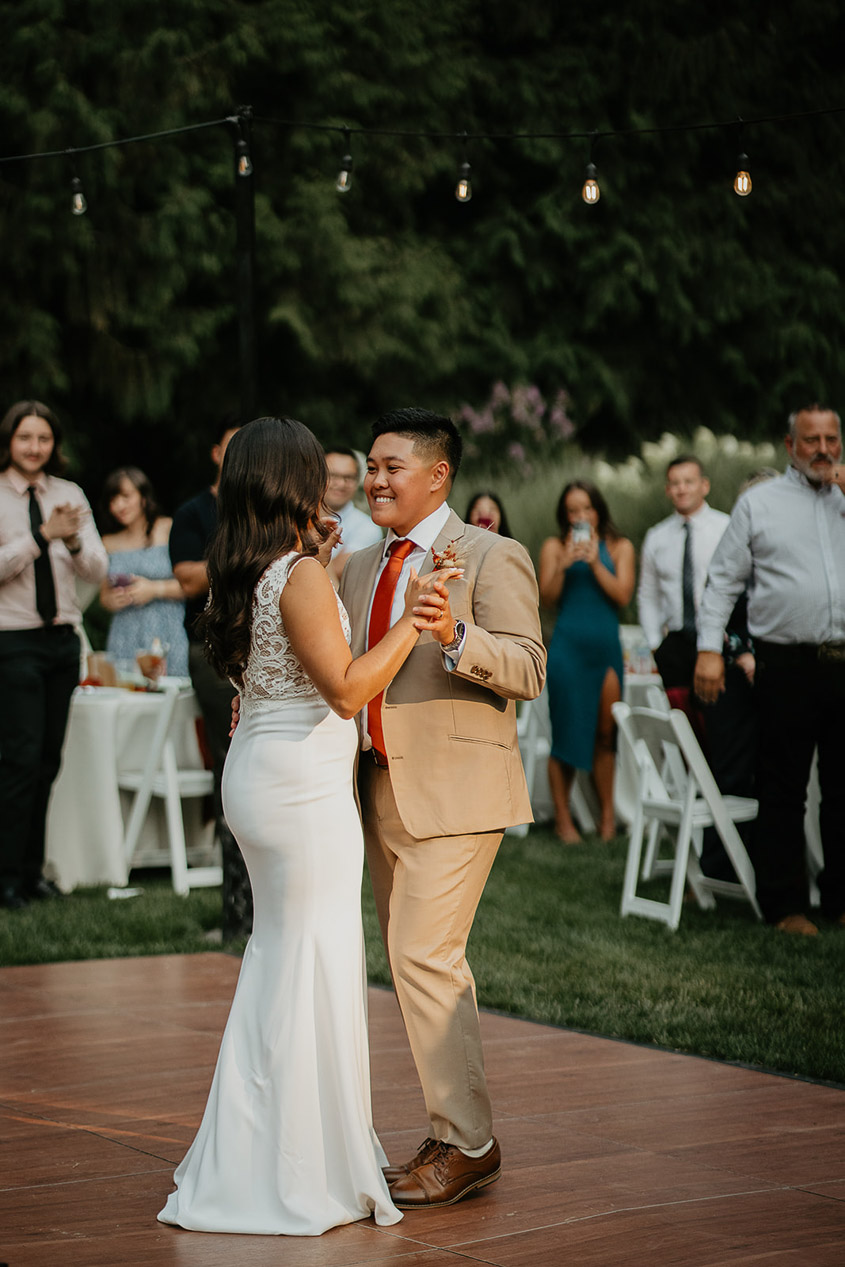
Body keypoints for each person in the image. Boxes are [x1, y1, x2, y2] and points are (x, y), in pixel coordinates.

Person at [158, 416, 451, 1236]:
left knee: (280, 958)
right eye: (315, 471)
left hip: (261, 772)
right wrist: (415, 617)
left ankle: (261, 1152)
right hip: (300, 789)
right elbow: (348, 688)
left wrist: (317, 562)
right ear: (291, 479)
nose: (335, 481)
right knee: (310, 965)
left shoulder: (243, 567)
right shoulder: (299, 576)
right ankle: (297, 1167)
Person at [338, 408, 546, 1210]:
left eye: (392, 466)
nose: (376, 479)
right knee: (411, 962)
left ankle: (469, 1144)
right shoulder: (358, 565)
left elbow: (528, 667)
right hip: (376, 787)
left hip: (457, 793)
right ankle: (445, 1132)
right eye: (371, 464)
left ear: (438, 475)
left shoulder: (492, 554)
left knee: (426, 957)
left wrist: (458, 634)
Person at [695, 404, 845, 936]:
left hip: (842, 661)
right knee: (785, 786)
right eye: (812, 440)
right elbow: (723, 583)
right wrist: (710, 650)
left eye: (831, 438)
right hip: (786, 662)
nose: (823, 449)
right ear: (790, 446)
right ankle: (786, 906)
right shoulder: (760, 504)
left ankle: (839, 898)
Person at [0, 400, 108, 909]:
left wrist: (69, 543)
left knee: (47, 761)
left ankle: (31, 872)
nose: (35, 447)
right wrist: (40, 538)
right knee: (18, 760)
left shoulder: (69, 495)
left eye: (43, 438)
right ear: (10, 440)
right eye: (26, 437)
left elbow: (98, 569)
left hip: (61, 640)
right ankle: (5, 878)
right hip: (12, 639)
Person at [169, 416, 249, 939]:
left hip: (262, 643)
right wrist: (249, 554)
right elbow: (187, 577)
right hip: (212, 649)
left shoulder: (262, 506)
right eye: (233, 445)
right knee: (231, 767)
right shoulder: (195, 512)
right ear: (217, 452)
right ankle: (235, 916)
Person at [539, 480, 634, 843]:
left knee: (605, 733)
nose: (580, 516)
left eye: (586, 509)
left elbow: (622, 594)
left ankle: (607, 818)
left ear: (598, 510)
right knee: (565, 730)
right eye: (572, 510)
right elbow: (546, 599)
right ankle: (564, 820)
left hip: (604, 648)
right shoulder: (554, 546)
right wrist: (564, 563)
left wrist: (594, 562)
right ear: (565, 515)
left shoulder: (620, 546)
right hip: (567, 648)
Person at [637, 454, 730, 708]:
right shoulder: (656, 537)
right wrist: (655, 643)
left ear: (704, 485)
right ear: (668, 490)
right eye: (675, 483)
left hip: (717, 643)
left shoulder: (725, 528)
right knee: (681, 722)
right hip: (675, 645)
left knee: (718, 719)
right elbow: (648, 595)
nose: (682, 489)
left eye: (688, 481)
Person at [99, 466, 188, 677]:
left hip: (168, 628)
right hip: (125, 631)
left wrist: (155, 589)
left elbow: (196, 584)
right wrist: (111, 601)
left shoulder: (168, 528)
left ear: (144, 496)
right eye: (113, 500)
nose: (118, 506)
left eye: (126, 497)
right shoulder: (107, 543)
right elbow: (103, 595)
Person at [323, 445, 382, 583]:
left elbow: (339, 569)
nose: (341, 484)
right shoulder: (298, 517)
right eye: (333, 475)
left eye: (348, 477)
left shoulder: (368, 527)